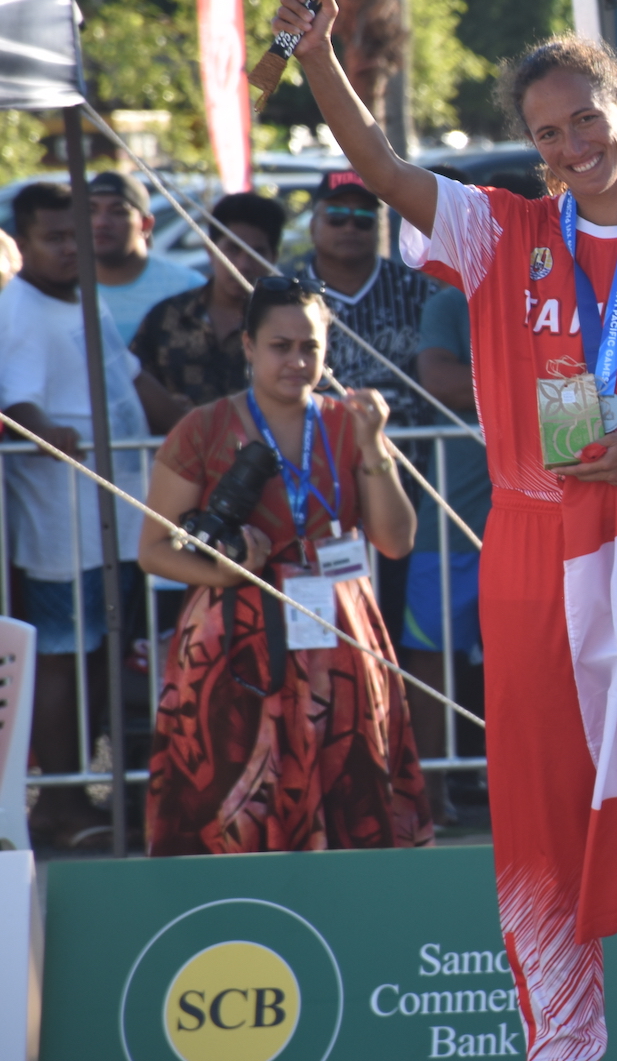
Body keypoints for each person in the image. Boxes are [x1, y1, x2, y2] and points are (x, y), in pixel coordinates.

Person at [273, 0, 617, 1061]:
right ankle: (561, 1057)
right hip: (533, 552)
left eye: (587, 121)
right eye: (548, 133)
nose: (571, 145)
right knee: (543, 827)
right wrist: (321, 53)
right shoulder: (500, 229)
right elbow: (379, 166)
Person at [139, 275, 431, 853]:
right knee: (231, 799)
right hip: (233, 635)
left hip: (339, 631)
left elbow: (395, 542)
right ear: (248, 345)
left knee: (351, 788)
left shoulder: (350, 423)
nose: (297, 361)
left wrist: (375, 447)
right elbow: (153, 550)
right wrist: (224, 572)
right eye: (280, 346)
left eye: (310, 348)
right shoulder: (204, 427)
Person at [0, 181, 164, 847]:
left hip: (116, 521)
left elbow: (129, 377)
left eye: (76, 235)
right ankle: (61, 800)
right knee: (66, 659)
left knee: (103, 655)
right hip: (60, 526)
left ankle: (84, 796)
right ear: (23, 242)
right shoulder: (20, 311)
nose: (71, 248)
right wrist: (49, 433)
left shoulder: (83, 298)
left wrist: (189, 418)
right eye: (54, 238)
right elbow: (16, 404)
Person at [398, 283, 491, 824]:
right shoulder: (454, 300)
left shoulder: (573, 284)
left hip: (547, 512)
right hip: (451, 521)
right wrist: (537, 374)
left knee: (544, 655)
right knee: (429, 656)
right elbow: (440, 380)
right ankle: (425, 801)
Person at [300, 168, 441, 432]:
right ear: (313, 224)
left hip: (413, 455)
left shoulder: (417, 291)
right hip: (323, 451)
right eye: (336, 217)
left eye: (364, 218)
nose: (350, 227)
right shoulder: (290, 296)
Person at [131, 192, 288, 428]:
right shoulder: (166, 317)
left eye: (256, 253)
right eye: (233, 250)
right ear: (210, 250)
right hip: (178, 458)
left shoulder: (287, 325)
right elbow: (132, 384)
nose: (243, 265)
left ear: (273, 257)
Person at [90, 171, 202, 345]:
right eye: (90, 211)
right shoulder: (62, 289)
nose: (101, 222)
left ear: (146, 223)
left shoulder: (186, 287)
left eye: (118, 211)